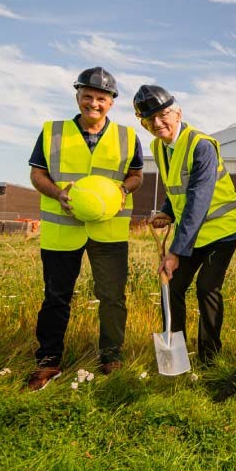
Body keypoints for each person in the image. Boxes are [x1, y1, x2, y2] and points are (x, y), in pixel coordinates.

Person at [26, 67, 144, 390]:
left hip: (109, 232)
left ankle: (111, 357)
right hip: (62, 230)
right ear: (78, 96)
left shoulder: (128, 136)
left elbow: (136, 176)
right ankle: (49, 362)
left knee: (112, 298)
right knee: (56, 297)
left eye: (101, 98)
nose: (94, 103)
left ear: (111, 103)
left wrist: (123, 190)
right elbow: (37, 175)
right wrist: (58, 193)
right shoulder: (53, 131)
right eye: (88, 96)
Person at [133, 85, 236, 364]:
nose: (157, 123)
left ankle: (210, 358)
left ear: (178, 112)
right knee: (172, 286)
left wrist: (175, 252)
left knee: (207, 287)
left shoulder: (201, 145)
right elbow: (177, 186)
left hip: (223, 229)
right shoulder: (159, 147)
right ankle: (177, 356)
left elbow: (198, 199)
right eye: (149, 120)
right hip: (194, 233)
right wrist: (166, 211)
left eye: (162, 115)